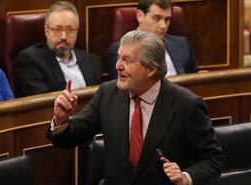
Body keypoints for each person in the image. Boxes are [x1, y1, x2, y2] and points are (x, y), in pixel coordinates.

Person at [47, 31, 225, 185]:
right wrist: (61, 119)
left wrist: (186, 177)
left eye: (127, 60)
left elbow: (214, 160)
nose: (118, 66)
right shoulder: (108, 94)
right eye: (118, 57)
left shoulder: (187, 105)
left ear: (151, 70)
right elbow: (69, 138)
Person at [16, 1, 102, 97]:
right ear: (46, 31)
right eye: (57, 29)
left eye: (70, 30)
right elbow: (42, 104)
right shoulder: (30, 60)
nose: (64, 37)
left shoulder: (93, 62)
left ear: (77, 31)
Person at [108, 0, 198, 79]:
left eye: (167, 19)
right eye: (157, 18)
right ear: (140, 16)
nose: (163, 26)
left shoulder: (182, 44)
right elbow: (121, 88)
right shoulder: (120, 49)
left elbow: (194, 78)